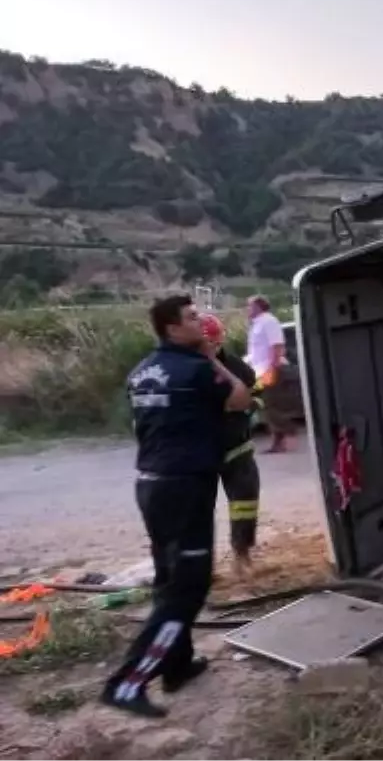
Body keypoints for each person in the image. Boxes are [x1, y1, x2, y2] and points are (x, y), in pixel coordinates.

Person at [100, 295, 252, 718]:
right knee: (188, 587)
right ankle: (127, 683)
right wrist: (212, 357)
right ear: (171, 328)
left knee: (169, 578)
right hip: (186, 488)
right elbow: (241, 397)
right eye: (191, 319)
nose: (200, 325)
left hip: (151, 484)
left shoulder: (141, 372)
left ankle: (177, 665)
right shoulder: (196, 370)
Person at [199, 313, 263, 578]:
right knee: (197, 511)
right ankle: (202, 565)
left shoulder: (238, 368)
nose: (208, 349)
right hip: (200, 453)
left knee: (245, 503)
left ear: (219, 341)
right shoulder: (184, 369)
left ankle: (242, 553)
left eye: (213, 343)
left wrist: (246, 409)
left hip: (237, 447)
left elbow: (257, 396)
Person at [246, 295, 294, 453]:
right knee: (265, 404)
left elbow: (277, 346)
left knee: (271, 403)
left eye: (249, 306)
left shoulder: (269, 321)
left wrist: (272, 368)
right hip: (259, 371)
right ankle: (279, 437)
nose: (247, 309)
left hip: (268, 370)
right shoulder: (257, 324)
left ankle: (282, 439)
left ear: (259, 307)